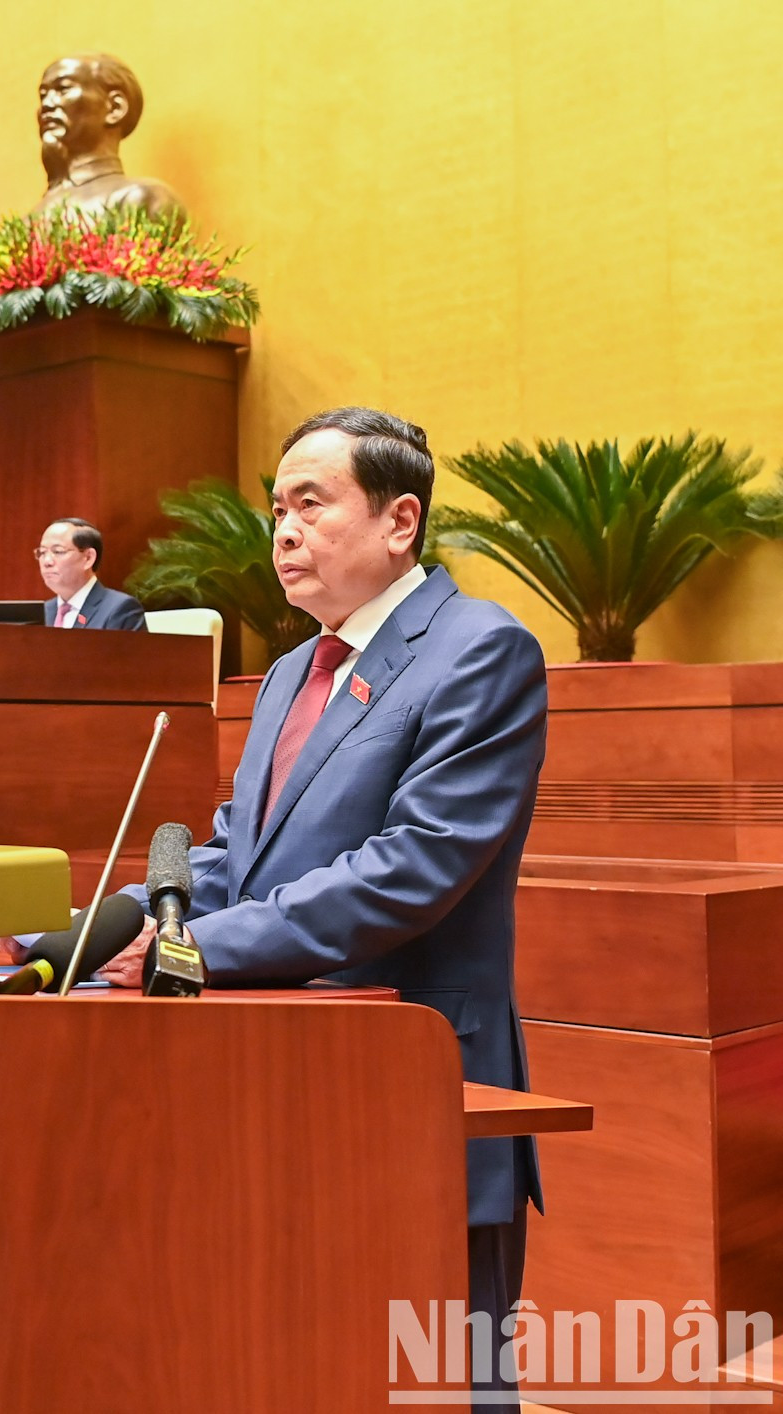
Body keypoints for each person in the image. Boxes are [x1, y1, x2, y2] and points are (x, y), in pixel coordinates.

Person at [89, 408, 546, 1401]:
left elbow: (414, 865)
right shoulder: (295, 668)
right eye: (275, 509)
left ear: (400, 521)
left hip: (410, 1082)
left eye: (311, 502)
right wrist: (72, 936)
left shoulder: (480, 650)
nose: (283, 530)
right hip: (274, 1086)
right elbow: (226, 856)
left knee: (440, 1381)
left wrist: (198, 950)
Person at [34, 54, 183, 220]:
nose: (46, 104)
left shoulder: (139, 199)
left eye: (63, 89)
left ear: (115, 108)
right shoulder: (28, 222)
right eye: (43, 95)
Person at [36, 518, 144, 630]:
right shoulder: (42, 612)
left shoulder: (120, 609)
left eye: (58, 551)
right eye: (42, 552)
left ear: (88, 558)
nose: (47, 561)